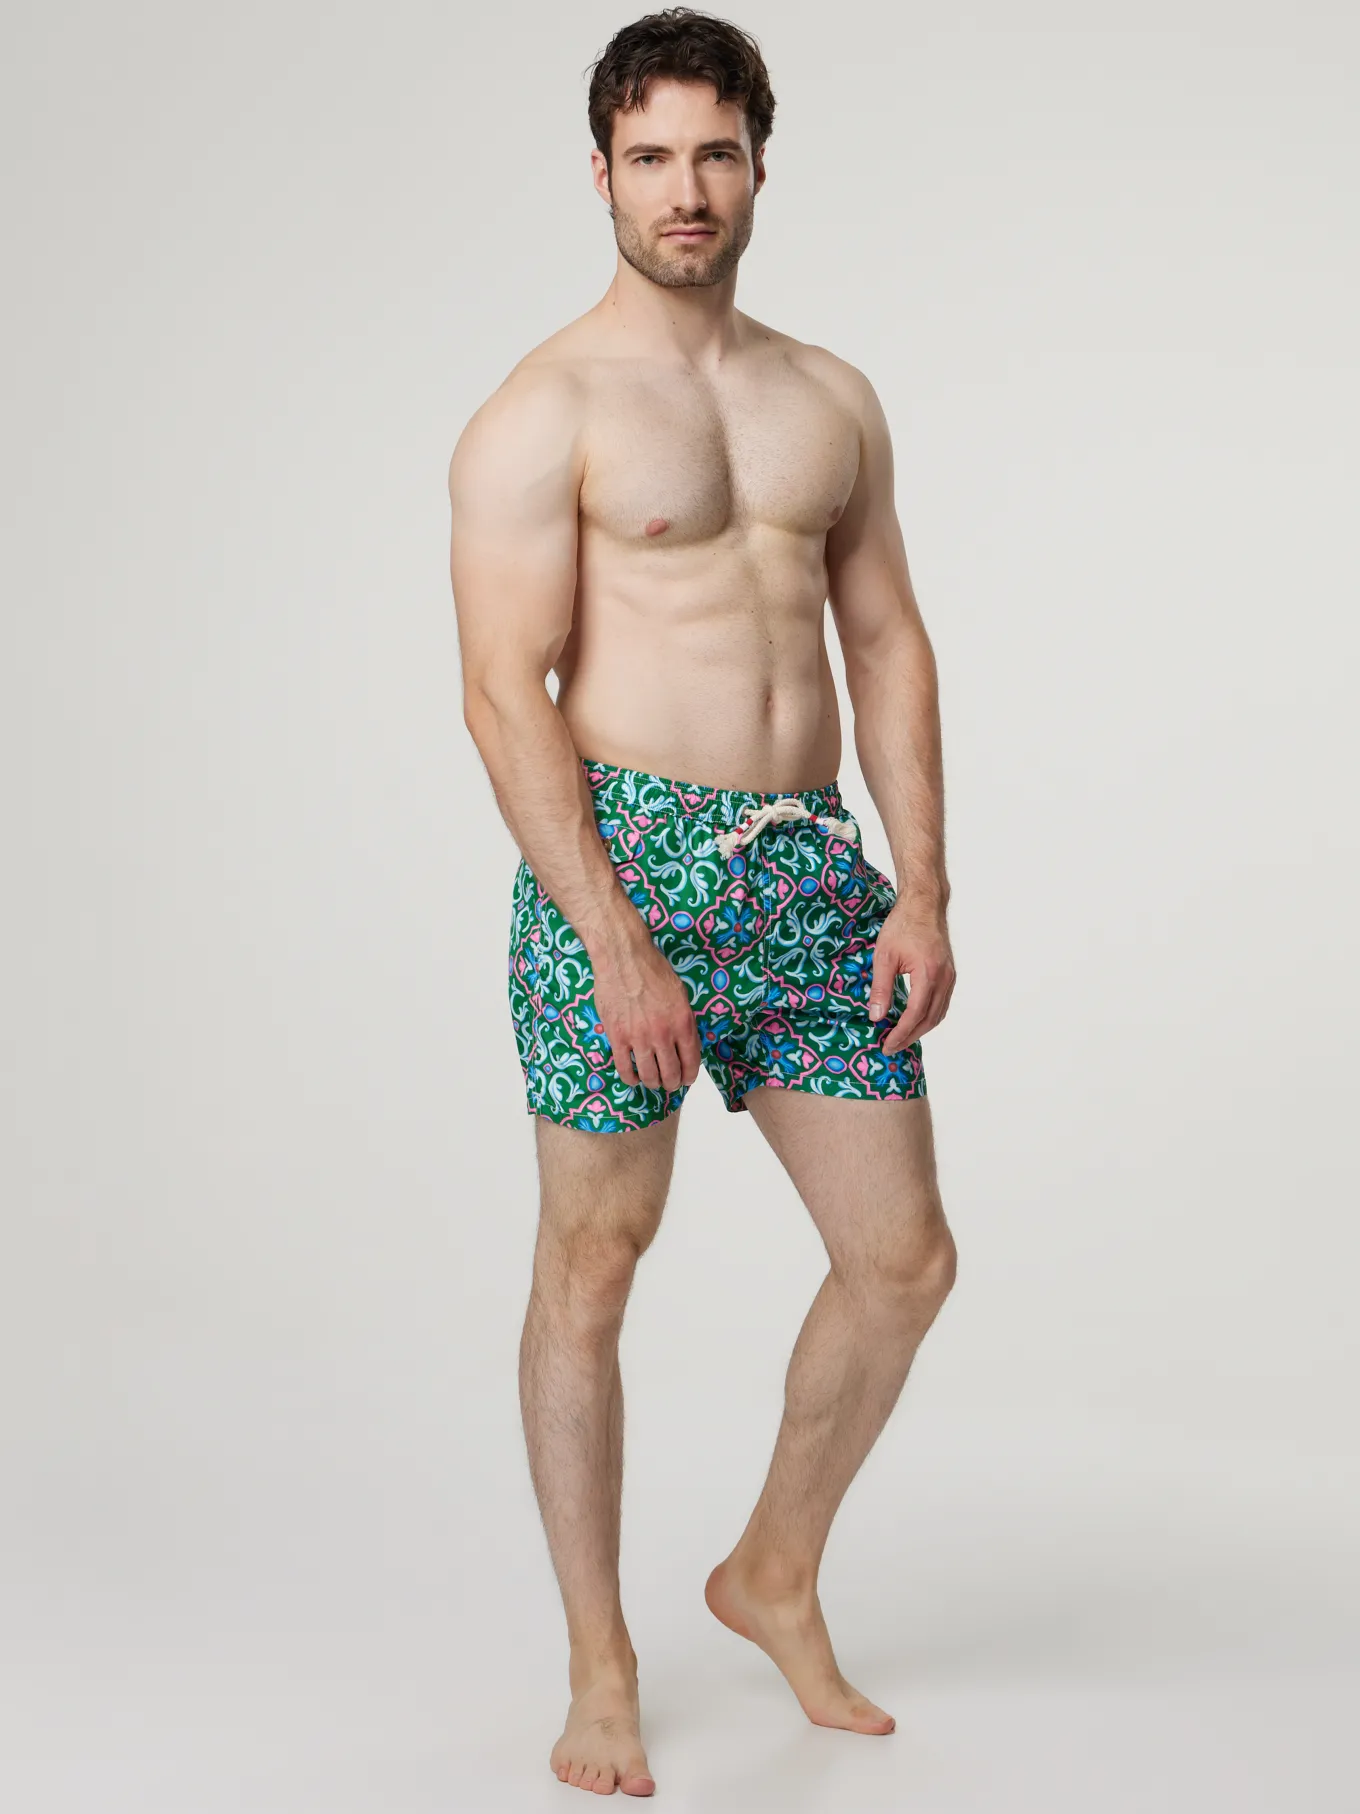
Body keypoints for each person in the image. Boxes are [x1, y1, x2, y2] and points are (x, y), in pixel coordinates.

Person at [448, 7, 958, 1797]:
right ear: (601, 173)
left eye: (715, 154)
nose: (686, 189)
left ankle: (772, 1570)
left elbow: (885, 641)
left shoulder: (828, 398)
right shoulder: (543, 411)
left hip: (807, 862)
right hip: (621, 862)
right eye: (652, 156)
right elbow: (503, 690)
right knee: (594, 1264)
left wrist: (921, 884)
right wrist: (612, 934)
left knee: (902, 1261)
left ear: (757, 166)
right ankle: (599, 1658)